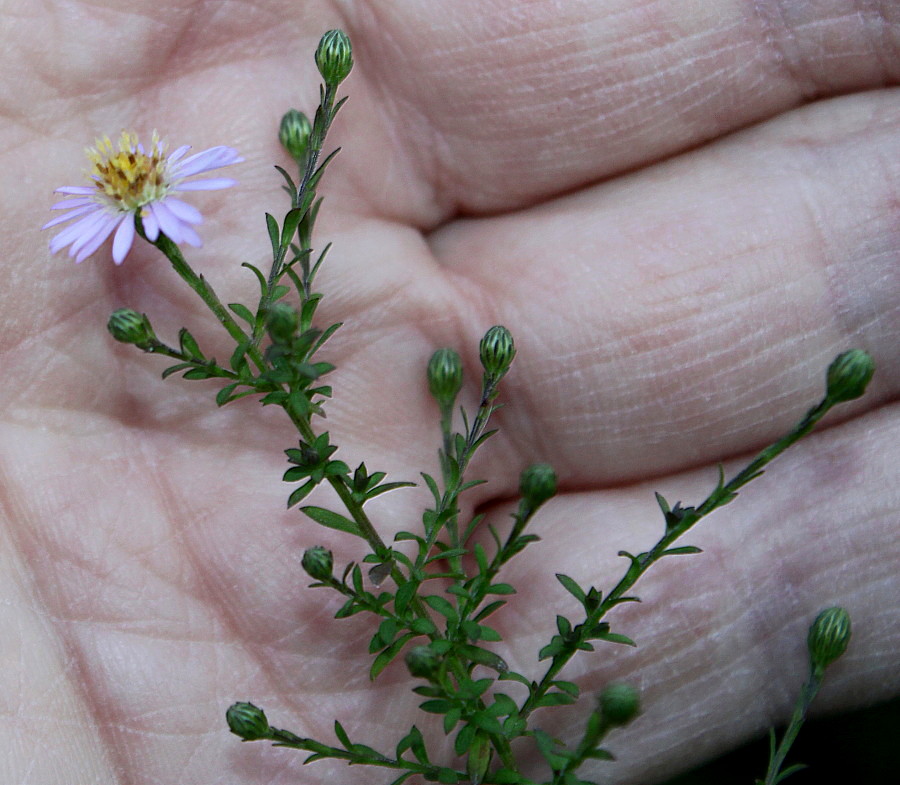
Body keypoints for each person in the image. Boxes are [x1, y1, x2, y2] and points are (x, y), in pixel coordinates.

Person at [5, 1, 897, 782]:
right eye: (124, 176)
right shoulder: (122, 227)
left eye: (135, 171)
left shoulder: (186, 195)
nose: (131, 173)